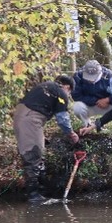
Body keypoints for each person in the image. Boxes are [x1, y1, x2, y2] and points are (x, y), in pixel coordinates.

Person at [13, 75, 79, 203]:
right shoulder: (61, 93)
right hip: (30, 119)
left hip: (23, 116)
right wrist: (71, 134)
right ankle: (33, 196)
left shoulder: (47, 86)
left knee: (38, 153)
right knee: (33, 155)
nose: (68, 95)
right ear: (67, 87)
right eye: (70, 92)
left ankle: (43, 191)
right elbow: (62, 119)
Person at [70, 60, 112, 133]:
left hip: (109, 105)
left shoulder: (110, 76)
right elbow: (76, 96)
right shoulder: (78, 76)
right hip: (90, 105)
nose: (91, 80)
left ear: (100, 72)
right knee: (77, 107)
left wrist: (108, 99)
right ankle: (87, 126)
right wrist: (95, 101)